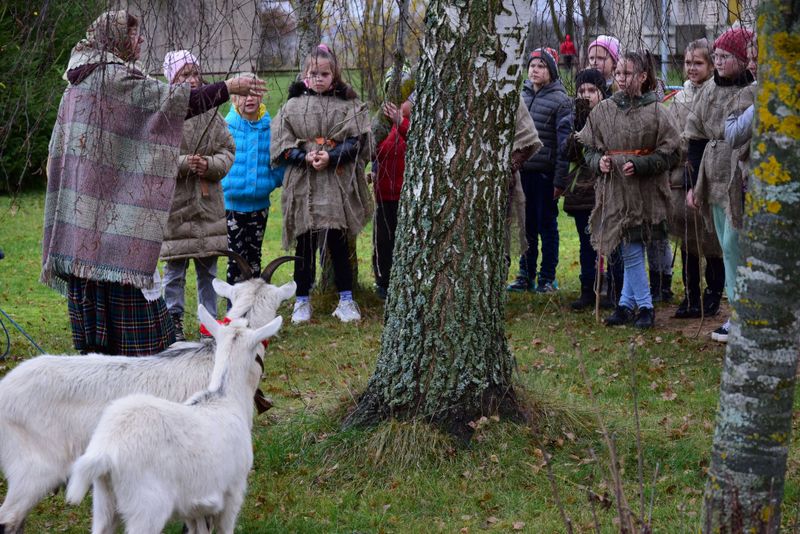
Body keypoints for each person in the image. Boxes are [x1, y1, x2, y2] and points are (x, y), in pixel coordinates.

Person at [41, 10, 264, 355]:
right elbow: (175, 103)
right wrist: (228, 88)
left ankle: (104, 358)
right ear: (114, 40)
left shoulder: (81, 81)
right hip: (110, 221)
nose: (140, 39)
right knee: (129, 323)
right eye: (132, 34)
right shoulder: (110, 78)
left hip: (88, 218)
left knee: (99, 328)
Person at [577, 50, 680, 329]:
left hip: (646, 192)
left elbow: (673, 152)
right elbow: (588, 148)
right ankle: (632, 305)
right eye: (619, 73)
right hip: (615, 190)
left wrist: (643, 164)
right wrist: (599, 162)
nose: (621, 78)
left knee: (634, 244)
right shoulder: (604, 110)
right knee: (628, 245)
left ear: (643, 76)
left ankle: (640, 306)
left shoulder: (657, 111)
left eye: (628, 73)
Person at [271, 44, 372, 324]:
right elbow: (281, 144)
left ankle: (346, 300)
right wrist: (304, 157)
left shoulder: (348, 105)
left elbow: (357, 141)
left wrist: (332, 156)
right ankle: (302, 301)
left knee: (338, 243)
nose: (318, 78)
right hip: (302, 184)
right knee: (304, 244)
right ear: (305, 74)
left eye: (324, 74)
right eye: (313, 73)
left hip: (335, 183)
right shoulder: (291, 107)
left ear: (334, 75)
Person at [684, 27, 756, 342]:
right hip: (712, 175)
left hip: (739, 175)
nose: (719, 61)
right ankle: (737, 312)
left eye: (726, 56)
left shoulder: (752, 91)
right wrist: (694, 183)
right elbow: (695, 136)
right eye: (717, 56)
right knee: (726, 247)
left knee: (734, 244)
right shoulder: (709, 90)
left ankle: (744, 314)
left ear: (742, 58)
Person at [159, 50, 235, 341]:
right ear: (171, 79)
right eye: (184, 75)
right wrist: (182, 163)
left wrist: (210, 164)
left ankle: (209, 324)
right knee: (174, 271)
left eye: (195, 73)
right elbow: (155, 156)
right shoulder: (165, 115)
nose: (192, 80)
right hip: (176, 206)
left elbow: (228, 149)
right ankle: (173, 323)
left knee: (208, 272)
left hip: (207, 205)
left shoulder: (211, 112)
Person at [666, 39, 725, 319]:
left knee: (711, 237)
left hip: (710, 172)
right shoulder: (680, 98)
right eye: (688, 62)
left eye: (698, 63)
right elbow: (671, 133)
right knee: (687, 237)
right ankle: (690, 295)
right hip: (684, 174)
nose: (691, 68)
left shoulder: (716, 94)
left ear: (711, 65)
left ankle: (713, 293)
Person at [507, 47, 571, 293]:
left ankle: (547, 277)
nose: (535, 70)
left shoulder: (560, 100)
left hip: (545, 174)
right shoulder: (520, 96)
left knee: (547, 225)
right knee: (526, 226)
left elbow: (564, 145)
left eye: (541, 66)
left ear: (551, 71)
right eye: (532, 65)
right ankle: (525, 274)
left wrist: (560, 180)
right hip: (522, 173)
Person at [223, 73, 286, 287]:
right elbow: (218, 158)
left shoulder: (271, 128)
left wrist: (271, 181)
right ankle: (234, 302)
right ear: (234, 98)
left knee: (254, 257)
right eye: (243, 94)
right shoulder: (226, 127)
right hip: (231, 206)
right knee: (235, 260)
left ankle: (254, 299)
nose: (249, 99)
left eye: (254, 93)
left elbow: (279, 160)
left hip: (260, 206)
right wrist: (224, 183)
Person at [561, 68, 613, 310]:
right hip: (583, 190)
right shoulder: (572, 119)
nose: (587, 95)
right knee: (587, 243)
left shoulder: (612, 115)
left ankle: (612, 288)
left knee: (610, 241)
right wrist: (580, 126)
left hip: (607, 188)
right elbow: (569, 152)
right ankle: (588, 288)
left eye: (592, 90)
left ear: (602, 92)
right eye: (582, 90)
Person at [371, 66, 414, 300]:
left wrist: (401, 121)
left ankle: (407, 281)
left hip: (408, 195)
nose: (398, 103)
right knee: (383, 240)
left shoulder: (415, 123)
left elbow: (418, 143)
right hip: (384, 194)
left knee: (406, 239)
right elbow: (372, 151)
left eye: (404, 98)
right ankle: (383, 281)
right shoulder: (381, 125)